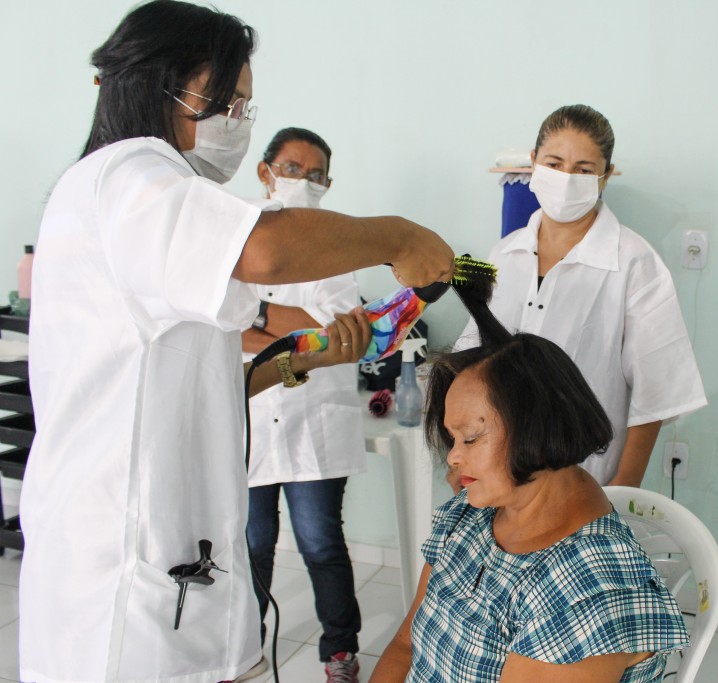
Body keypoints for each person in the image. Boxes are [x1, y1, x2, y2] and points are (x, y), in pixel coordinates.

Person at [19, 3, 453, 683]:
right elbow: (265, 250)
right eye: (224, 101)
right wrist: (397, 235)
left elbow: (208, 371)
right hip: (124, 579)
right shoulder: (131, 174)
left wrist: (299, 358)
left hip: (170, 557)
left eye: (245, 107)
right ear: (158, 84)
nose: (235, 124)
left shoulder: (150, 198)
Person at [370, 291, 689, 683]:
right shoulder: (471, 514)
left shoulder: (585, 595)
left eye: (470, 437)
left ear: (535, 430)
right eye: (453, 439)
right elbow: (406, 645)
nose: (453, 458)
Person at [455, 104, 705, 487]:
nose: (567, 178)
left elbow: (657, 391)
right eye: (554, 163)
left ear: (605, 177)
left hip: (584, 481)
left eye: (584, 170)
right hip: (497, 474)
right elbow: (473, 361)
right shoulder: (504, 253)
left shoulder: (635, 262)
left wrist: (623, 489)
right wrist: (462, 460)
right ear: (534, 162)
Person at [243, 127, 365, 683]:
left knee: (320, 542)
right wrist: (292, 332)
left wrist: (256, 319)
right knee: (251, 541)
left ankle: (339, 651)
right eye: (293, 169)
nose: (304, 182)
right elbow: (220, 325)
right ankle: (243, 645)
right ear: (266, 172)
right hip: (245, 414)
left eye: (317, 175)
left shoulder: (335, 248)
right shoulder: (237, 238)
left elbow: (332, 335)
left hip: (312, 417)